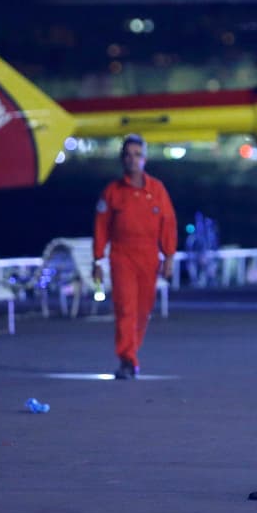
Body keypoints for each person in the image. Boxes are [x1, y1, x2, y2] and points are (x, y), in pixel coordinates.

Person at [93, 134, 177, 380]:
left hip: (149, 256)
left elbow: (168, 223)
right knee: (126, 308)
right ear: (122, 159)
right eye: (128, 155)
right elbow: (100, 227)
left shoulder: (157, 190)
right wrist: (97, 260)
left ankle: (131, 352)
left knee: (142, 310)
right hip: (122, 255)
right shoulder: (112, 192)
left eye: (137, 155)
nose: (132, 160)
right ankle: (127, 358)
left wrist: (169, 257)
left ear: (145, 159)